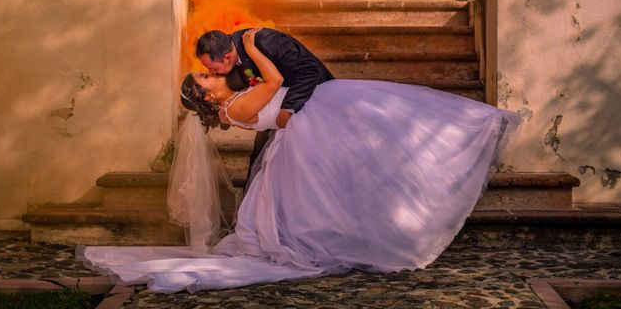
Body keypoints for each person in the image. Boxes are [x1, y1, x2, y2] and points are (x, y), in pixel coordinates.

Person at [79, 29, 521, 293]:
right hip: (299, 126)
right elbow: (272, 83)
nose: (214, 74)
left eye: (210, 68)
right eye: (207, 75)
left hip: (307, 115)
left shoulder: (237, 90)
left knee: (384, 137)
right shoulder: (238, 99)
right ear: (208, 93)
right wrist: (254, 51)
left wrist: (260, 59)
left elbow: (301, 75)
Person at [196, 28, 334, 190]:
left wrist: (287, 108)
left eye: (212, 69)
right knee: (259, 166)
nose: (212, 73)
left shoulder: (265, 42)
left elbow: (310, 70)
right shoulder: (230, 56)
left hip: (309, 101)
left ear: (228, 57)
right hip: (272, 111)